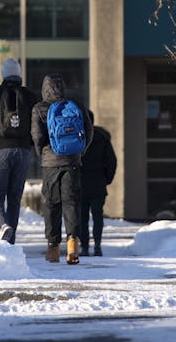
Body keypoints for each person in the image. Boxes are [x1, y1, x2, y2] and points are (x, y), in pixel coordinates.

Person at [31, 73, 93, 264]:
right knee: (72, 202)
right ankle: (73, 242)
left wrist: (42, 153)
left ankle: (53, 246)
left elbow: (37, 136)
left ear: (45, 89)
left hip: (50, 163)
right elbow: (89, 132)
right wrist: (79, 152)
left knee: (51, 204)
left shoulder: (40, 108)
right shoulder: (76, 106)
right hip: (72, 161)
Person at [0, 58, 39, 244]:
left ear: (3, 74)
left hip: (0, 150)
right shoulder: (30, 95)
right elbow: (37, 124)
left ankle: (4, 225)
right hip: (23, 150)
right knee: (15, 195)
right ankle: (10, 240)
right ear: (19, 74)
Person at [79, 110, 117, 257]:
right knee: (97, 216)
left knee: (82, 217)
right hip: (98, 183)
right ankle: (97, 246)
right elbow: (111, 161)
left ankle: (84, 247)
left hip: (81, 183)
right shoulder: (102, 137)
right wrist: (107, 179)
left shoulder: (78, 138)